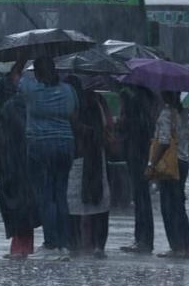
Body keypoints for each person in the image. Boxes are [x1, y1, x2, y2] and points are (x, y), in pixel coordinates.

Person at [9, 56, 77, 259]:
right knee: (60, 195)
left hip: (40, 146)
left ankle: (51, 243)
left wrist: (22, 56)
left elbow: (14, 77)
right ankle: (65, 244)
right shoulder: (68, 90)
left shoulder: (32, 89)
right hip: (65, 144)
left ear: (37, 73)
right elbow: (74, 114)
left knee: (46, 197)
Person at [65, 76, 111, 258]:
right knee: (98, 203)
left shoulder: (79, 106)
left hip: (81, 159)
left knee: (74, 205)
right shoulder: (96, 101)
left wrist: (78, 126)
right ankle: (98, 245)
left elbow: (87, 130)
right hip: (96, 159)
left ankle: (76, 244)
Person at [149, 91, 189, 260]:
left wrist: (151, 164)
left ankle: (176, 247)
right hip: (183, 161)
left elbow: (163, 141)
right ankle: (188, 247)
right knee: (179, 206)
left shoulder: (166, 114)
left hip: (169, 163)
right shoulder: (183, 114)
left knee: (168, 206)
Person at [0, 88, 38, 259]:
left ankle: (19, 246)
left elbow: (2, 140)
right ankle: (25, 246)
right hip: (28, 160)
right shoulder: (27, 105)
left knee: (15, 205)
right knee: (26, 203)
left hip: (11, 163)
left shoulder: (8, 109)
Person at [117, 83, 158, 254]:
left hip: (136, 155)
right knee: (142, 198)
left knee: (140, 198)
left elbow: (130, 128)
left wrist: (122, 121)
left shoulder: (135, 103)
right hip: (142, 154)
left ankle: (143, 239)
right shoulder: (148, 103)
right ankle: (143, 239)